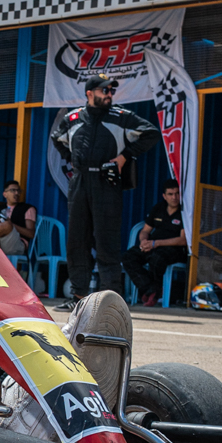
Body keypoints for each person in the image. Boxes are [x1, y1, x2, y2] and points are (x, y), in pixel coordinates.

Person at [51, 74, 157, 300]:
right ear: (89, 93)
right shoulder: (73, 118)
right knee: (77, 241)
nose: (109, 95)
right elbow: (56, 137)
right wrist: (71, 158)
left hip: (107, 182)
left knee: (107, 241)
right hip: (79, 182)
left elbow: (151, 133)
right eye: (104, 90)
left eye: (111, 91)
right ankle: (78, 296)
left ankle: (111, 296)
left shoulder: (121, 117)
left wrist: (124, 157)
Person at [124, 179, 187, 306]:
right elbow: (145, 230)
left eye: (177, 193)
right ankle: (150, 289)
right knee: (128, 257)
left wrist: (156, 243)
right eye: (170, 194)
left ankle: (154, 292)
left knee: (157, 259)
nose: (174, 197)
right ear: (164, 196)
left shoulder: (184, 212)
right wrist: (144, 241)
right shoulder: (158, 208)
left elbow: (183, 240)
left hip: (173, 249)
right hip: (153, 246)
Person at [0, 180, 37, 257]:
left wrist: (12, 225)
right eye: (13, 190)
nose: (16, 193)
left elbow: (31, 234)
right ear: (5, 194)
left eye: (18, 191)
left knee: (7, 225)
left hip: (17, 244)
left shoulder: (27, 209)